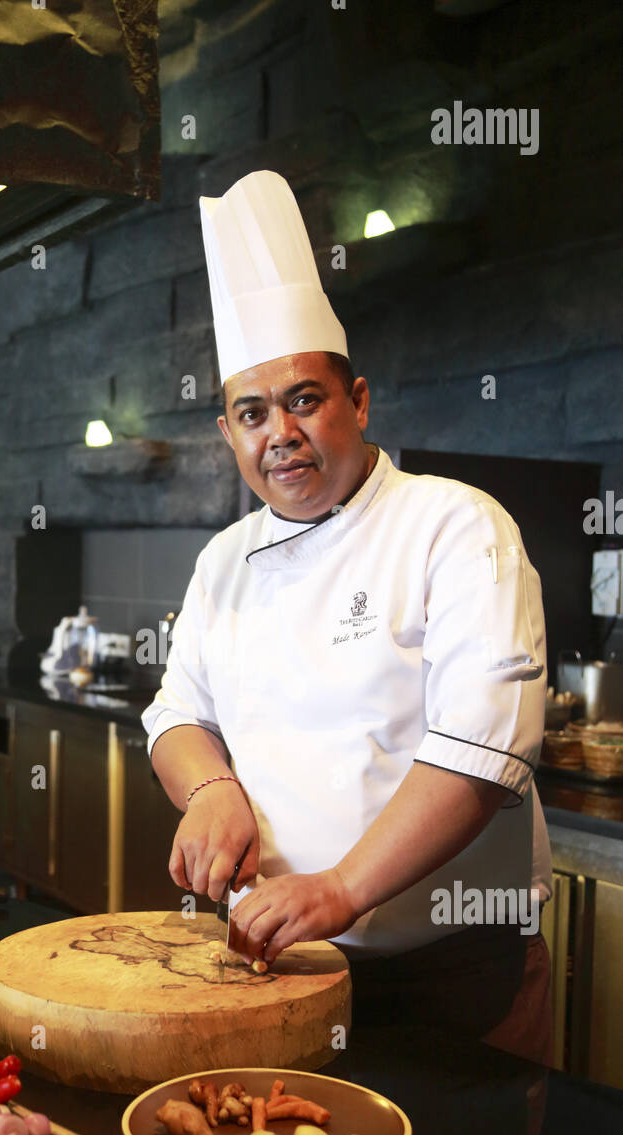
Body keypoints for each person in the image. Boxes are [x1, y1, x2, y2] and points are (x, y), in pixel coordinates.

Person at [141, 170, 553, 1066]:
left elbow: (486, 749)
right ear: (228, 435)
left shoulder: (455, 524)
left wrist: (345, 887)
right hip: (278, 975)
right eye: (252, 413)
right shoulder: (223, 563)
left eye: (304, 399)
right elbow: (177, 715)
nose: (278, 433)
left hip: (451, 977)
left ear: (357, 401)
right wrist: (210, 790)